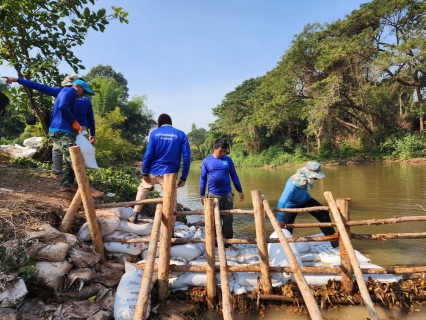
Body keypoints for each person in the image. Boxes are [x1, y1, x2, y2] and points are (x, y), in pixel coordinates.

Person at [2, 75, 96, 181]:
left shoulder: (65, 93)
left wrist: (18, 80)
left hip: (69, 127)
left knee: (69, 154)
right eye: (83, 90)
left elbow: (41, 87)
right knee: (77, 155)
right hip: (70, 127)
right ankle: (75, 181)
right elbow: (89, 118)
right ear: (76, 86)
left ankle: (63, 177)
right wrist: (91, 132)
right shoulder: (69, 93)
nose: (83, 94)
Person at [133, 113, 191, 219]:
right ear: (170, 122)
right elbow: (187, 157)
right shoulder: (180, 134)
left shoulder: (154, 133)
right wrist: (184, 176)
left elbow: (149, 154)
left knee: (143, 189)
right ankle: (170, 228)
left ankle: (135, 214)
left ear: (159, 123)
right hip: (170, 174)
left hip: (153, 171)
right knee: (171, 199)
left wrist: (144, 171)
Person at [277, 161, 338, 248]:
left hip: (305, 199)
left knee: (323, 213)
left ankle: (334, 241)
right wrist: (279, 220)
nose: (316, 180)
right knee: (286, 228)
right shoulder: (292, 185)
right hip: (290, 204)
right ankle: (286, 248)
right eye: (315, 178)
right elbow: (281, 202)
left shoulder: (306, 180)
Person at [200, 139, 244, 250]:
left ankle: (228, 242)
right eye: (220, 151)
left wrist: (240, 190)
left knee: (228, 219)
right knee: (214, 219)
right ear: (214, 148)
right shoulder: (207, 161)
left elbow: (234, 175)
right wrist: (202, 195)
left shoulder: (228, 160)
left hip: (227, 194)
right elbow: (203, 178)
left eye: (224, 151)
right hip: (212, 195)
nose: (223, 153)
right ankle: (214, 241)